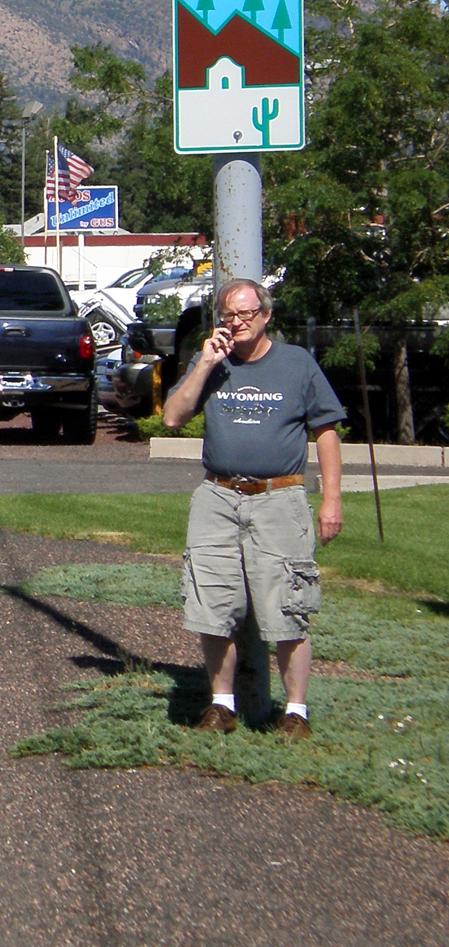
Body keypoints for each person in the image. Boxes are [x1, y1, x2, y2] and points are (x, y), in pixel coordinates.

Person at [161, 277, 344, 739]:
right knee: (212, 606)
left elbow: (326, 432)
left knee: (288, 608)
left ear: (265, 316)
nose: (237, 323)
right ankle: (221, 707)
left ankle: (296, 714)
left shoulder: (296, 364)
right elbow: (172, 416)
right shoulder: (214, 364)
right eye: (228, 315)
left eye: (246, 314)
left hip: (279, 498)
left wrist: (332, 500)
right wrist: (204, 363)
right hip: (218, 498)